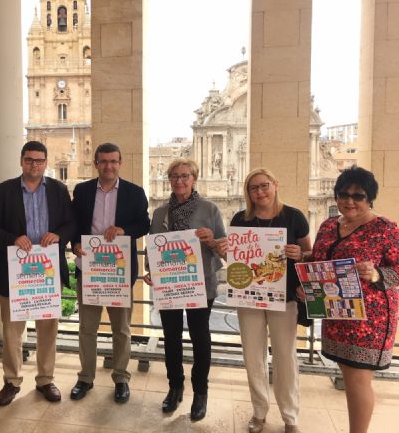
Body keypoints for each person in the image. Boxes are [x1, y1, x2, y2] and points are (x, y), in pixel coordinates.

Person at [0, 141, 75, 406]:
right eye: (29, 160)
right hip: (14, 275)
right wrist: (13, 238)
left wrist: (59, 235)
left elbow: (71, 223)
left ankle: (45, 379)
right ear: (21, 161)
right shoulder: (2, 191)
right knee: (12, 332)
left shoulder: (58, 190)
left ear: (46, 163)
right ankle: (12, 382)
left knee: (48, 330)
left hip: (46, 273)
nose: (34, 165)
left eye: (39, 160)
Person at [310, 167, 399, 433]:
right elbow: (318, 262)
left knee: (358, 380)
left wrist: (376, 274)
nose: (350, 200)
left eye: (358, 195)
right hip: (337, 312)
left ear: (369, 198)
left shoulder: (386, 230)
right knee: (349, 378)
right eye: (343, 194)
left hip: (369, 319)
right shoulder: (328, 226)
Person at [142, 159, 226, 421]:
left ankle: (200, 392)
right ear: (169, 179)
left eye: (185, 176)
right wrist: (151, 271)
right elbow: (153, 247)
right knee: (172, 337)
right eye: (175, 176)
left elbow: (223, 247)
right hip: (169, 287)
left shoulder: (209, 209)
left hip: (200, 284)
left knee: (201, 338)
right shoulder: (159, 213)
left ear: (194, 178)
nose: (180, 181)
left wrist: (211, 239)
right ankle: (174, 387)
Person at [229, 168, 310, 433]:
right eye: (254, 188)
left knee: (285, 357)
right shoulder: (240, 219)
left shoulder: (294, 216)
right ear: (248, 192)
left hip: (284, 298)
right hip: (249, 297)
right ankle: (259, 412)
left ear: (275, 184)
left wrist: (300, 254)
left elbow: (309, 253)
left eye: (264, 186)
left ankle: (290, 416)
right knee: (253, 357)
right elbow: (235, 260)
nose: (260, 192)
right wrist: (224, 249)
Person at [70, 143, 150, 403]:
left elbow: (144, 224)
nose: (108, 166)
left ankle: (121, 378)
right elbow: (73, 224)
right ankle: (85, 378)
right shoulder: (81, 191)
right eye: (103, 161)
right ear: (95, 163)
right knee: (87, 328)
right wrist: (75, 243)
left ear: (120, 162)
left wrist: (124, 230)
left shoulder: (135, 193)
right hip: (90, 270)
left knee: (122, 330)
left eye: (113, 161)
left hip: (119, 272)